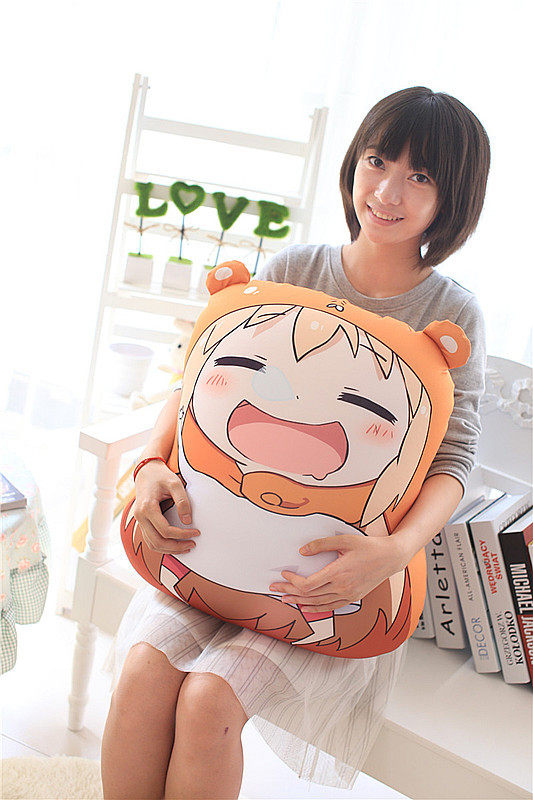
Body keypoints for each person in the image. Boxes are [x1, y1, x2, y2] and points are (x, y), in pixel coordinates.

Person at [101, 85, 489, 799]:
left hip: (333, 586)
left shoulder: (451, 312)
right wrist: (150, 463)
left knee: (209, 702)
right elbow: (201, 383)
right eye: (377, 160)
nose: (387, 191)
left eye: (419, 176)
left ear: (453, 198)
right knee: (142, 673)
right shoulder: (293, 270)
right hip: (210, 549)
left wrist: (394, 552)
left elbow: (453, 458)